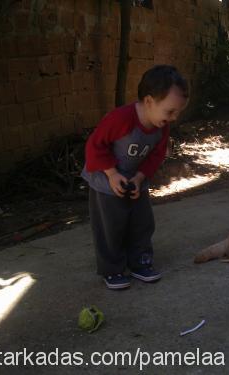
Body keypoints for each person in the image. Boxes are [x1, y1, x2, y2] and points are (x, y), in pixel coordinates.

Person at [81, 65, 189, 290]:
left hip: (134, 180)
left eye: (178, 112)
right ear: (149, 101)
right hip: (105, 180)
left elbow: (156, 155)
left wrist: (140, 178)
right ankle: (112, 269)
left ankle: (140, 262)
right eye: (170, 111)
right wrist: (111, 174)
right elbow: (95, 146)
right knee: (111, 226)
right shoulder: (120, 119)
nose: (174, 117)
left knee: (142, 222)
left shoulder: (161, 126)